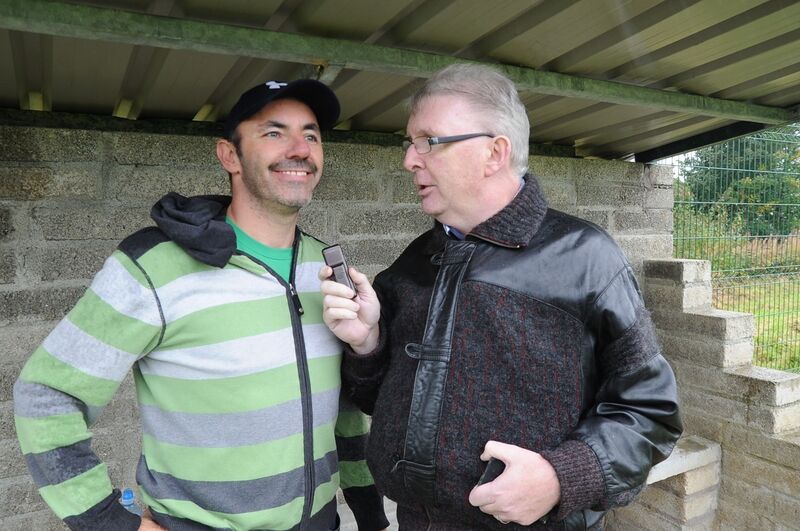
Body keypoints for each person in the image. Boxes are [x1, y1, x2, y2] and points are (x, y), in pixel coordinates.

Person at [14, 79, 389, 531]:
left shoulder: (325, 268)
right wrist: (107, 521)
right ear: (229, 156)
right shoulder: (154, 266)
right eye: (274, 133)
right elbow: (47, 393)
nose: (300, 149)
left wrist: (366, 505)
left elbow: (342, 405)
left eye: (311, 135)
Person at [319, 63, 683, 529]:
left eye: (429, 141)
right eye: (409, 143)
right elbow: (378, 400)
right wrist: (367, 344)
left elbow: (651, 412)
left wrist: (559, 478)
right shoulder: (411, 266)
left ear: (495, 152)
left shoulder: (585, 257)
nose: (410, 159)